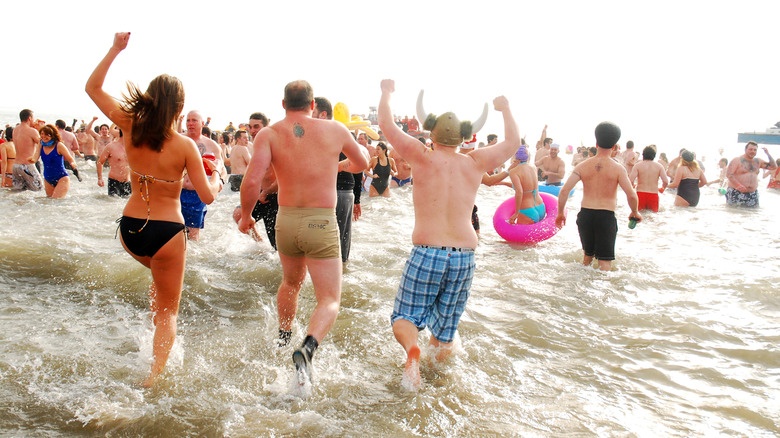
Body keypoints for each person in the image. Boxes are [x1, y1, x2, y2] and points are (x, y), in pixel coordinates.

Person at [86, 32, 222, 387]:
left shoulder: (130, 126)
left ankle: (150, 350)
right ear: (179, 108)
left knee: (156, 288)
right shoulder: (186, 145)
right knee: (168, 312)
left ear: (148, 98)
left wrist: (115, 49)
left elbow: (92, 87)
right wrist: (219, 176)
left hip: (130, 230)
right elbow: (207, 197)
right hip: (166, 232)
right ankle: (153, 378)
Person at [378, 79, 519, 390]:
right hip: (465, 257)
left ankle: (412, 351)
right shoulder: (475, 162)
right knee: (446, 330)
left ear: (431, 133)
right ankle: (438, 381)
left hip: (428, 251)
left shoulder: (422, 156)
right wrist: (505, 108)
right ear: (464, 137)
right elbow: (512, 144)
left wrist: (387, 92)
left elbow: (387, 125)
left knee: (404, 317)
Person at [237, 80, 369, 385]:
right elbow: (362, 162)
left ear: (283, 105)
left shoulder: (269, 134)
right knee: (329, 299)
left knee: (290, 283)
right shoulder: (334, 129)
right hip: (320, 221)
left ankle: (283, 339)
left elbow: (252, 180)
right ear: (313, 106)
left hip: (286, 220)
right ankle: (308, 347)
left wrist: (246, 217)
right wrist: (335, 167)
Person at [555, 122, 640, 272]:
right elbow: (631, 195)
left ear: (596, 142)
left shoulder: (582, 166)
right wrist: (635, 212)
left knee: (587, 258)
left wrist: (560, 213)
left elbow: (564, 191)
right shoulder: (618, 169)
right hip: (605, 217)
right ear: (615, 146)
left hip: (585, 216)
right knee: (604, 264)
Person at [313, 97, 361, 266]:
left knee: (328, 240)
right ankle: (339, 272)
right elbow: (359, 164)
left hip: (339, 191)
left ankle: (335, 276)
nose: (309, 116)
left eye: (312, 111)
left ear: (323, 114)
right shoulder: (343, 131)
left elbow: (360, 164)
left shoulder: (325, 133)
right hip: (340, 192)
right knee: (339, 239)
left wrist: (357, 199)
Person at [232, 112, 279, 247]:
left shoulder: (274, 146)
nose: (252, 131)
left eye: (256, 127)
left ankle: (273, 254)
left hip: (274, 196)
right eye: (250, 127)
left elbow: (284, 178)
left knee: (276, 245)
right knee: (239, 215)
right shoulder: (255, 146)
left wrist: (266, 192)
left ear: (266, 126)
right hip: (260, 194)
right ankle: (260, 243)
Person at [180, 110, 226, 241]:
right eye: (188, 120)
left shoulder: (211, 145)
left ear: (202, 124)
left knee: (193, 236)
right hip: (177, 190)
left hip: (197, 194)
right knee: (174, 231)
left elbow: (222, 168)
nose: (190, 123)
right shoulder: (178, 140)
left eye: (194, 120)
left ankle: (190, 260)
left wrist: (221, 181)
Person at [30, 124, 81, 198]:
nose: (43, 136)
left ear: (52, 135)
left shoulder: (59, 145)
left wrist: (73, 164)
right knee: (49, 202)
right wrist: (31, 160)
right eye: (42, 134)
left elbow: (70, 158)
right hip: (48, 178)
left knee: (56, 201)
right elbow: (35, 157)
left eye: (46, 134)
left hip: (62, 177)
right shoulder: (41, 144)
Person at [725, 141, 776, 207]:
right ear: (745, 149)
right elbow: (729, 174)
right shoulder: (737, 160)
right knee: (735, 212)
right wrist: (738, 185)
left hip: (752, 194)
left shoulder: (758, 161)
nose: (753, 151)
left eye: (755, 150)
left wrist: (768, 154)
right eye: (750, 149)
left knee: (752, 214)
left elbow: (773, 167)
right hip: (736, 191)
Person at [508, 145, 545, 224]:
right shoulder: (533, 167)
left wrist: (516, 213)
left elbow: (520, 192)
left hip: (527, 210)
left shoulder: (514, 172)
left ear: (515, 158)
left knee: (517, 236)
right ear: (528, 157)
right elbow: (528, 186)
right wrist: (503, 183)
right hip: (540, 206)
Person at [11, 109, 44, 191]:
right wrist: (41, 129)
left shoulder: (15, 129)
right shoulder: (32, 131)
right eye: (33, 118)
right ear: (29, 118)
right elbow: (44, 144)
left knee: (18, 192)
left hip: (16, 166)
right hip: (27, 166)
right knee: (39, 189)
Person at [628, 145, 668, 212]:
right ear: (654, 156)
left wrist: (633, 186)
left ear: (643, 155)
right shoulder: (659, 166)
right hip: (653, 194)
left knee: (638, 215)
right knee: (653, 218)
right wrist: (662, 188)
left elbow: (630, 180)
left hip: (640, 194)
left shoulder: (638, 165)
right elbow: (666, 181)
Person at [96, 128, 131, 197]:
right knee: (113, 203)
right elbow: (100, 162)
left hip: (128, 182)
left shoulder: (132, 148)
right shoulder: (111, 146)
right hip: (114, 181)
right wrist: (100, 178)